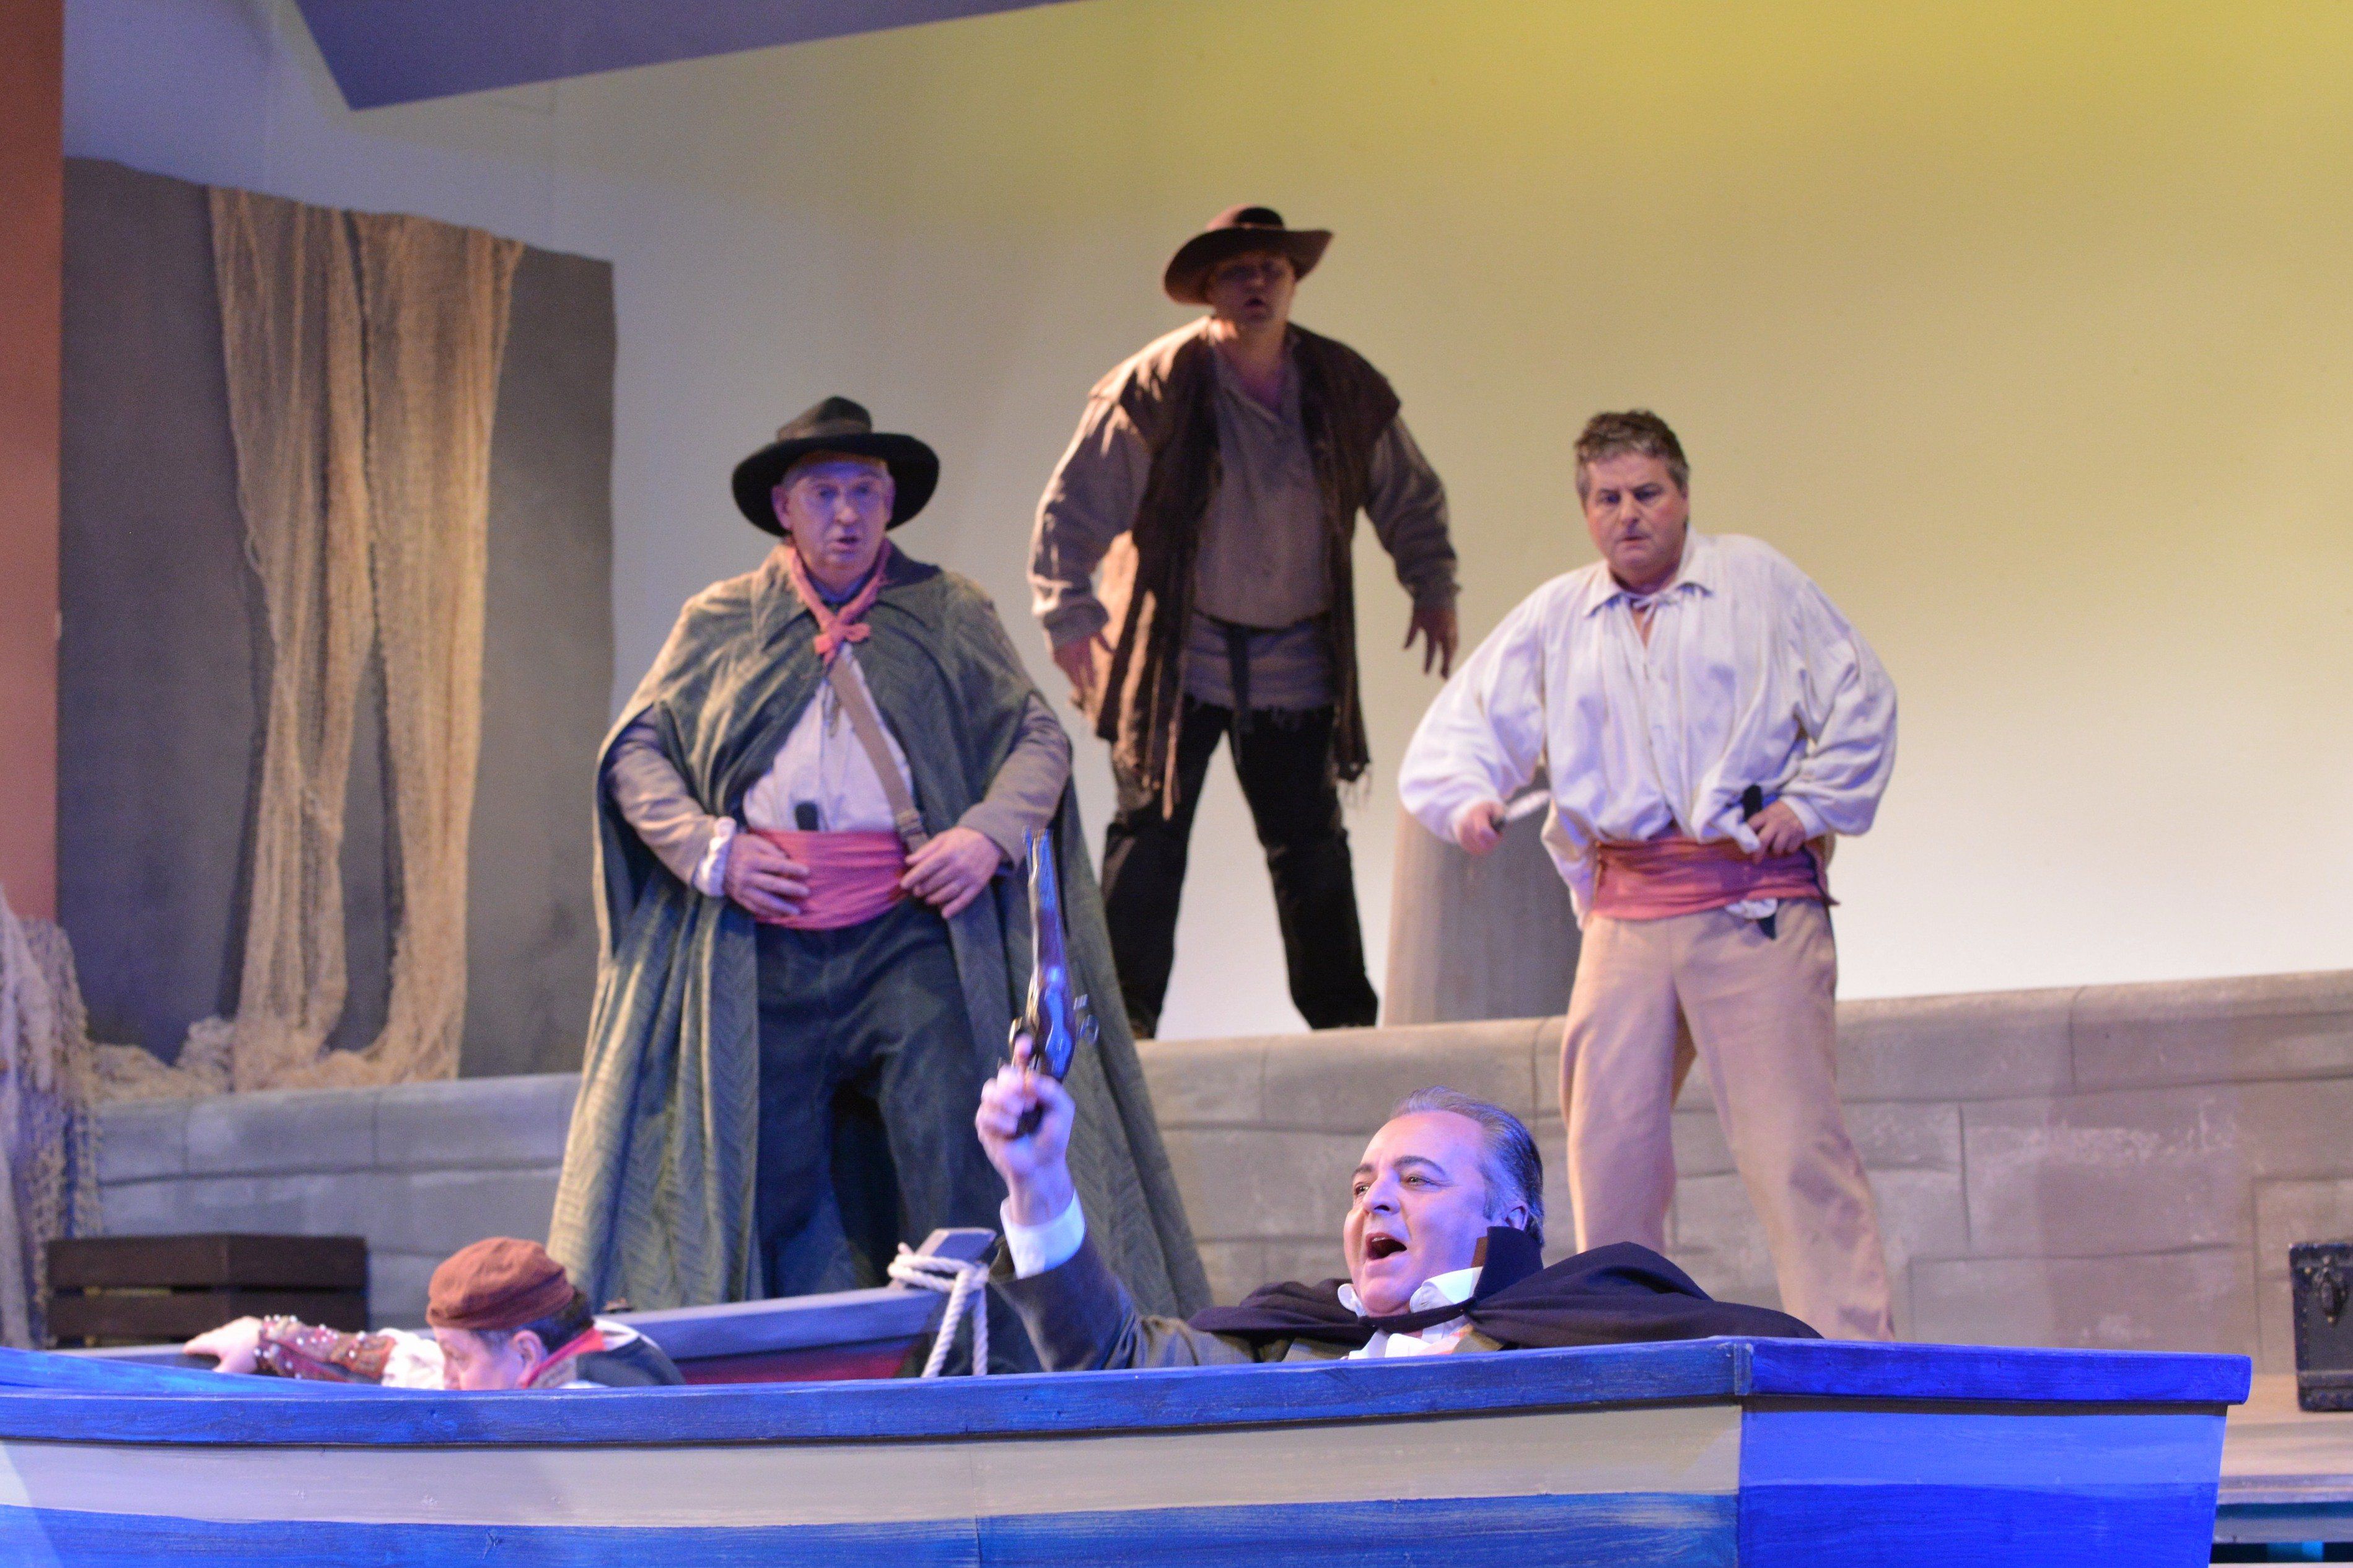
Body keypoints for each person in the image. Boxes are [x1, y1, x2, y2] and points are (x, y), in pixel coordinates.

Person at [548, 398, 1207, 1362]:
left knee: (954, 1152)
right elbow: (636, 751)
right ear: (784, 506)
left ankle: (990, 1369)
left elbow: (1037, 738)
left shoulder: (945, 611)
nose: (847, 512)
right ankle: (782, 1376)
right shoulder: (723, 621)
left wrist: (983, 835)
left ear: (891, 500)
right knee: (766, 1174)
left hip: (907, 932)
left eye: (865, 490)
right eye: (824, 492)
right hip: (764, 942)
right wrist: (712, 850)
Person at [1398, 410, 1899, 1341]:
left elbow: (1860, 695)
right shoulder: (1560, 613)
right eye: (1606, 498)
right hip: (1625, 912)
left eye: (1645, 493)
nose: (1627, 513)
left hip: (1750, 902)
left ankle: (1853, 1363)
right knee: (1608, 1155)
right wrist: (1467, 797)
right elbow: (1463, 725)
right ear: (1586, 510)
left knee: (1795, 1150)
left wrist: (1811, 804)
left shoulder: (1754, 580)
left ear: (1682, 495)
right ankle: (1623, 1356)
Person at [1029, 205, 1460, 1037]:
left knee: (1310, 845)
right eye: (1238, 270)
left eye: (1272, 268)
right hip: (1177, 655)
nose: (1257, 283)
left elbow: (1407, 491)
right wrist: (1067, 612)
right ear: (1210, 288)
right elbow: (1073, 506)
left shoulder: (1340, 383)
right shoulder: (1154, 384)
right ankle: (1120, 1029)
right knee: (1148, 837)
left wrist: (1432, 581)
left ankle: (1343, 1029)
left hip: (1295, 655)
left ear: (1293, 281)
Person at [974, 1039, 1815, 1369]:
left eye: (1417, 1179)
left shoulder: (1603, 1342)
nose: (1375, 1198)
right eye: (1362, 1185)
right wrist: (1036, 1179)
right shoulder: (1282, 1346)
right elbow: (1113, 1358)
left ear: (1512, 1219)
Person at [184, 1237, 683, 1390]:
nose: (447, 1377)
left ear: (528, 1352)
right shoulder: (584, 1337)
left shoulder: (577, 1407)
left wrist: (276, 1339)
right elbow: (412, 1363)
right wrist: (269, 1338)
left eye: (457, 1358)